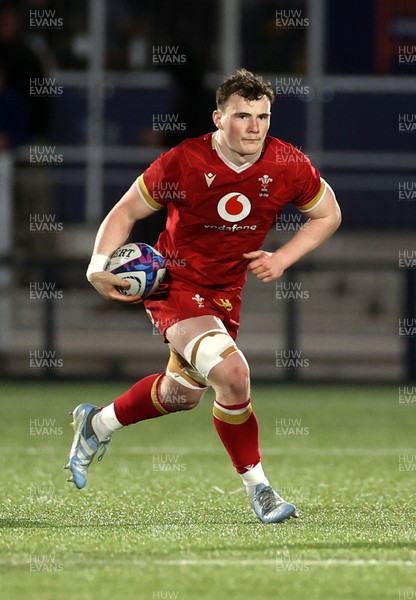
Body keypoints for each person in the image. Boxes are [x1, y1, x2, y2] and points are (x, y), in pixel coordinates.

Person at [65, 69, 341, 524]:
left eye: (262, 116)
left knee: (180, 395)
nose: (254, 127)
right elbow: (126, 211)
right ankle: (261, 490)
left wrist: (283, 259)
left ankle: (95, 424)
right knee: (233, 375)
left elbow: (328, 214)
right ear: (218, 118)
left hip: (226, 293)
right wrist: (97, 266)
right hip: (177, 286)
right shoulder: (184, 161)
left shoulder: (288, 164)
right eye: (242, 116)